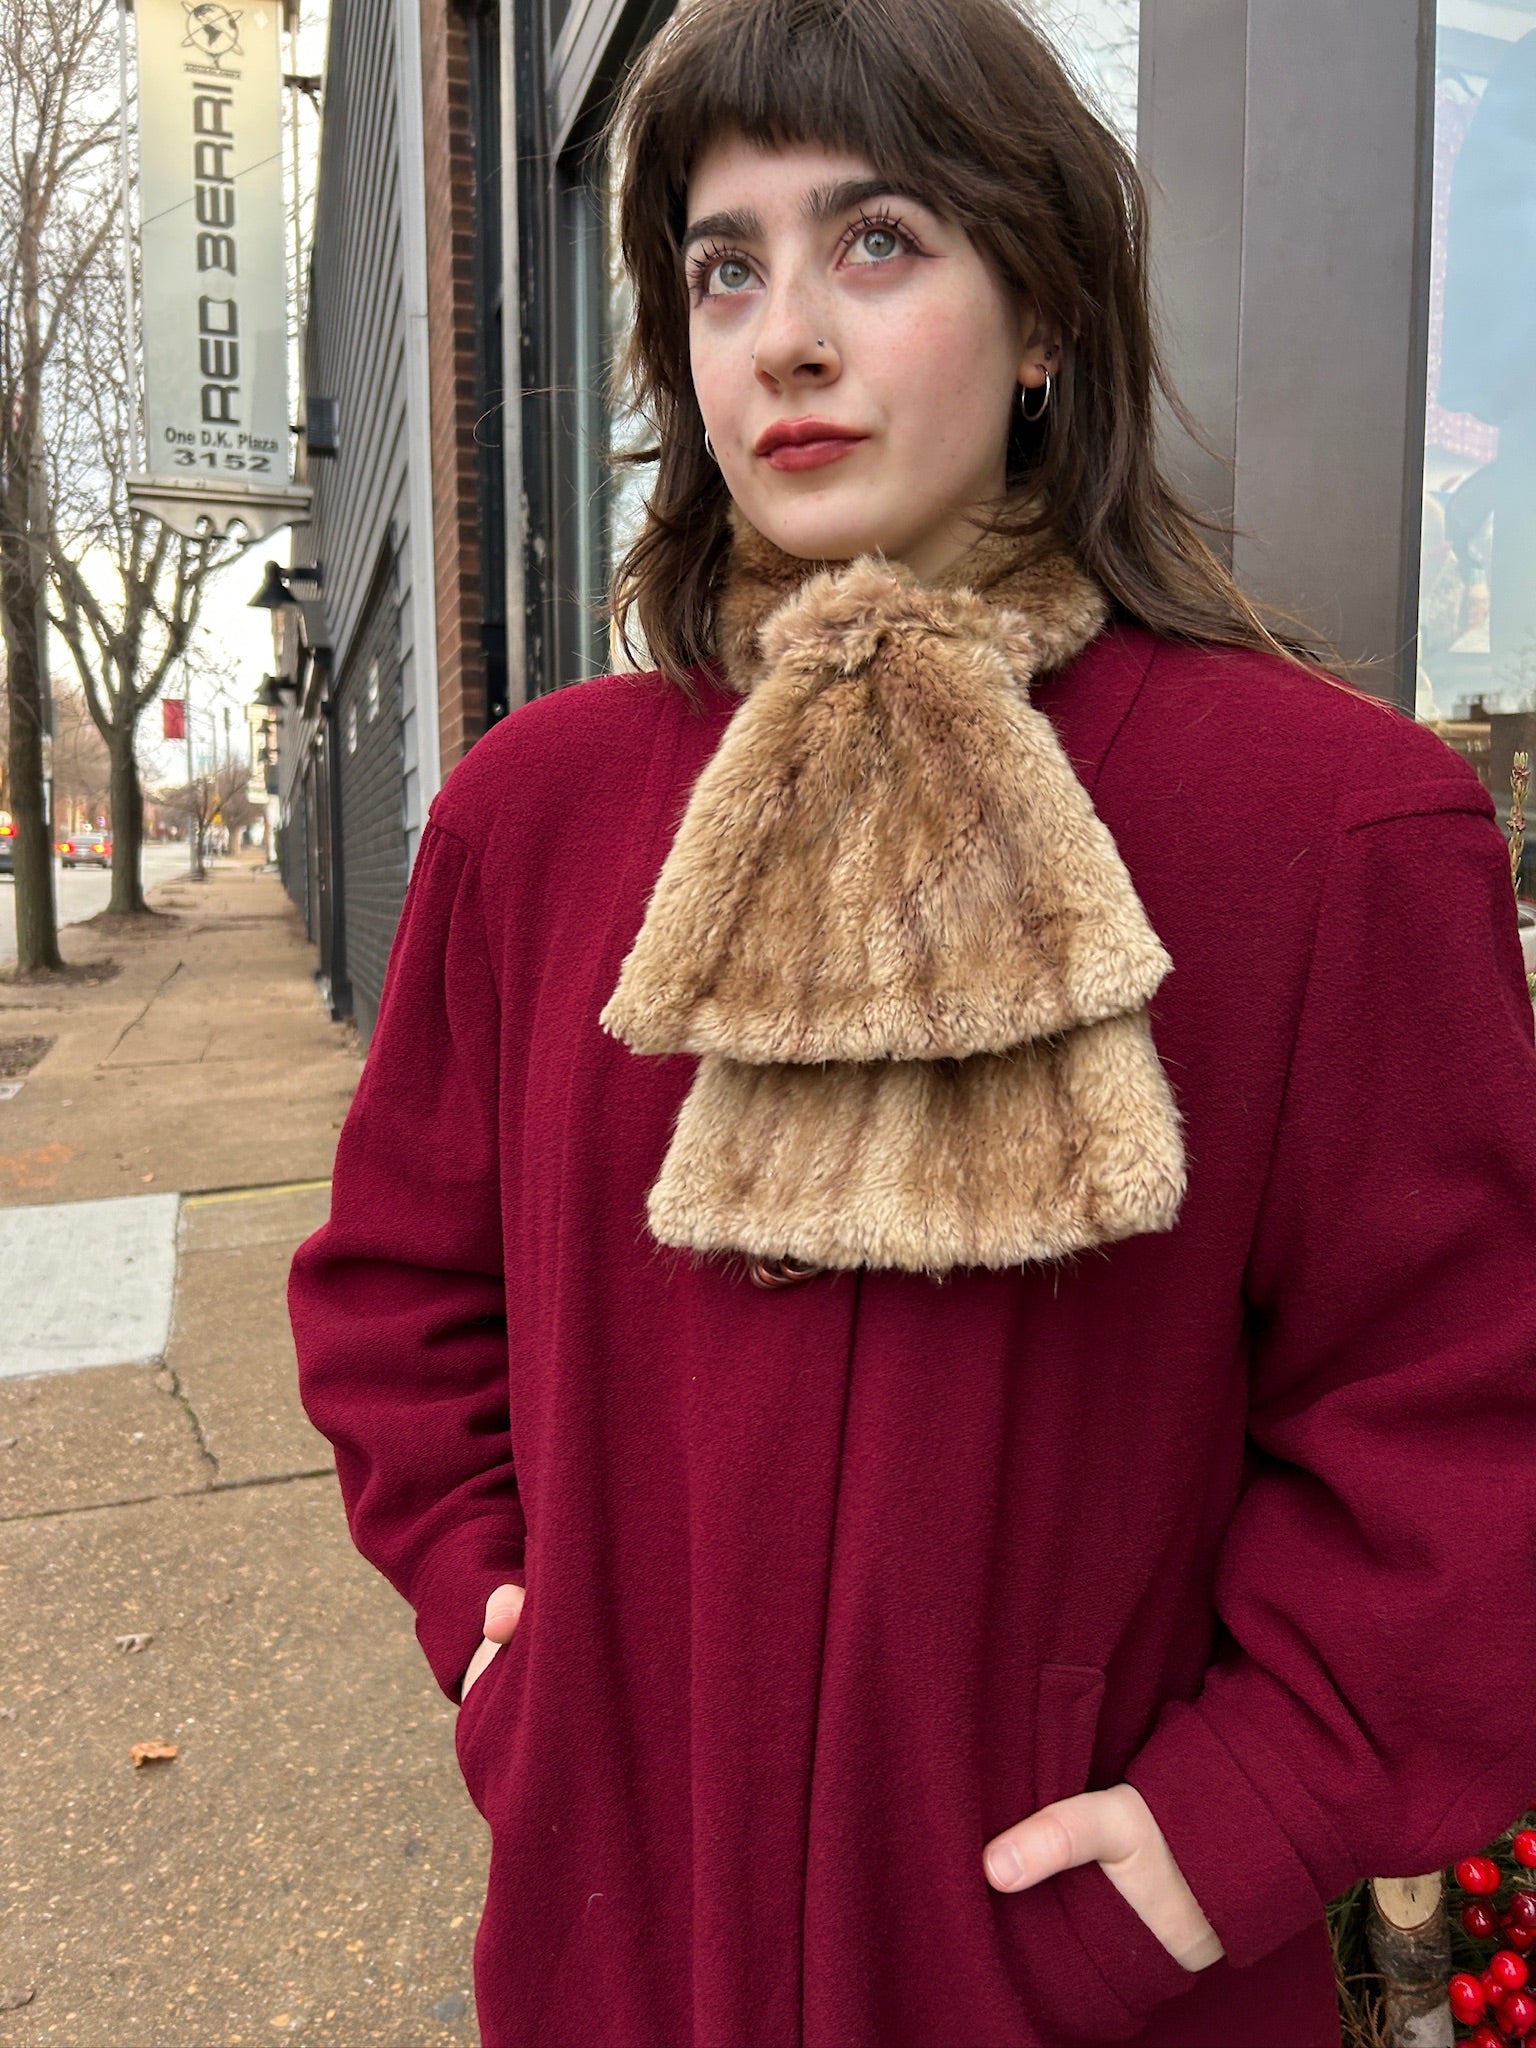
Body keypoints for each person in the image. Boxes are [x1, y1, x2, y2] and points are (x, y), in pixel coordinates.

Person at [288, 0, 1536, 2042]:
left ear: (1042, 312)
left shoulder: (1328, 826)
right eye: (724, 264)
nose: (783, 334)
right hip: (627, 1953)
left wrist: (1225, 1829)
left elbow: (1458, 1422)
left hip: (1073, 1979)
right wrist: (505, 1638)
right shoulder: (534, 814)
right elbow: (399, 1292)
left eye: (875, 241)